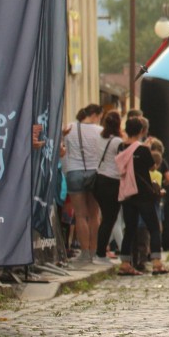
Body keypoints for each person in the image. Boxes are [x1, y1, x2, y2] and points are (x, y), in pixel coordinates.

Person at [115, 116, 169, 276]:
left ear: (126, 130)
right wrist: (146, 148)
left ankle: (125, 263)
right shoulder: (143, 150)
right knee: (153, 228)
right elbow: (152, 167)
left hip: (127, 194)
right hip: (143, 194)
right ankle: (157, 263)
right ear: (141, 131)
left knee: (129, 229)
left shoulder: (121, 147)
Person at [62, 104, 103, 266]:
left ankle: (84, 253)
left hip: (74, 171)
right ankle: (94, 252)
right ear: (95, 115)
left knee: (79, 215)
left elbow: (64, 151)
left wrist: (67, 171)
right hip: (94, 172)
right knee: (94, 215)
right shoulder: (100, 131)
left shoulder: (70, 128)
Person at [93, 111, 123, 263]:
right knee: (109, 219)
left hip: (99, 179)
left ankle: (100, 251)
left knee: (105, 218)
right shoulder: (117, 141)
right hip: (113, 181)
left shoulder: (100, 138)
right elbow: (122, 161)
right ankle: (100, 254)